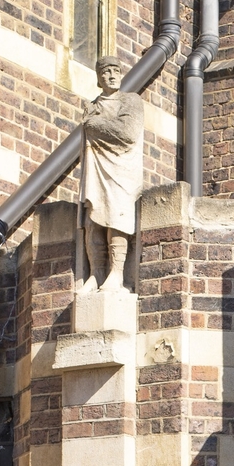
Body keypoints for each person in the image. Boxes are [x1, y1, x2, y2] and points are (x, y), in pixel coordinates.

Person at [79, 56, 144, 293]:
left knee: (118, 217)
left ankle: (116, 273)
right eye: (106, 72)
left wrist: (95, 125)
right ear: (99, 78)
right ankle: (96, 273)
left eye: (116, 71)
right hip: (96, 167)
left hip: (122, 168)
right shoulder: (92, 106)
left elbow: (126, 132)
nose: (112, 75)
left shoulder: (131, 101)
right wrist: (93, 124)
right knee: (93, 219)